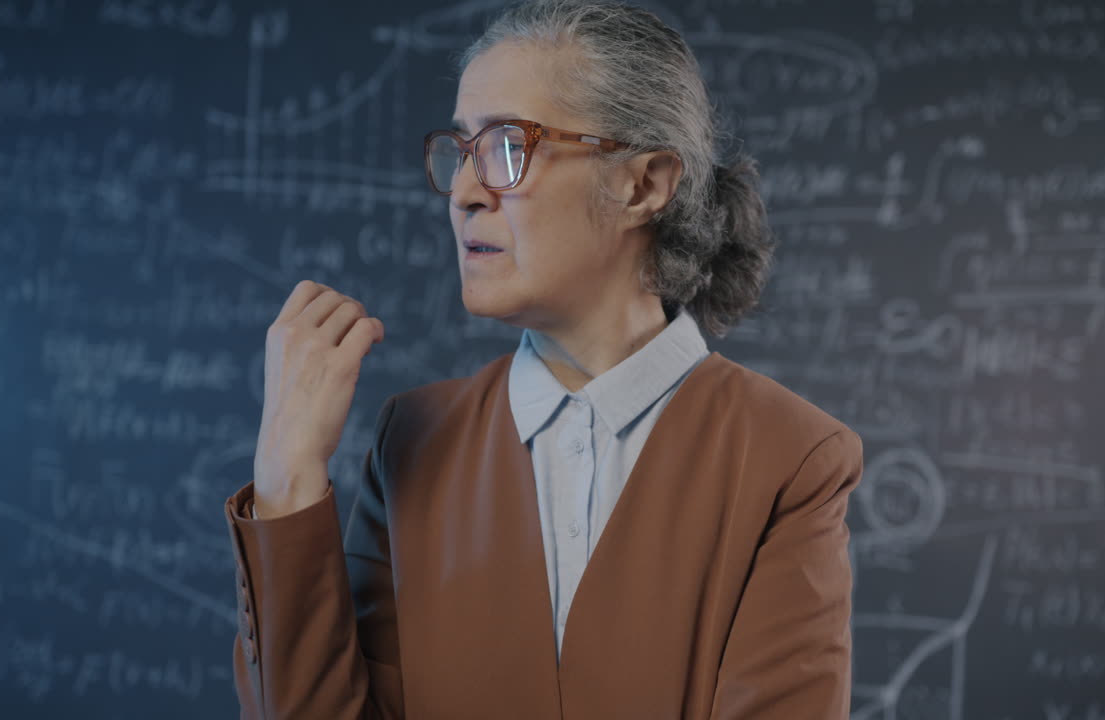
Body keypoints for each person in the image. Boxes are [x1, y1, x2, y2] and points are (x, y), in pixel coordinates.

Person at [223, 0, 864, 717]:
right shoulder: (412, 440)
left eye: (506, 148)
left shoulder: (789, 458)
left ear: (644, 184)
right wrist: (285, 476)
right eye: (462, 153)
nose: (464, 194)